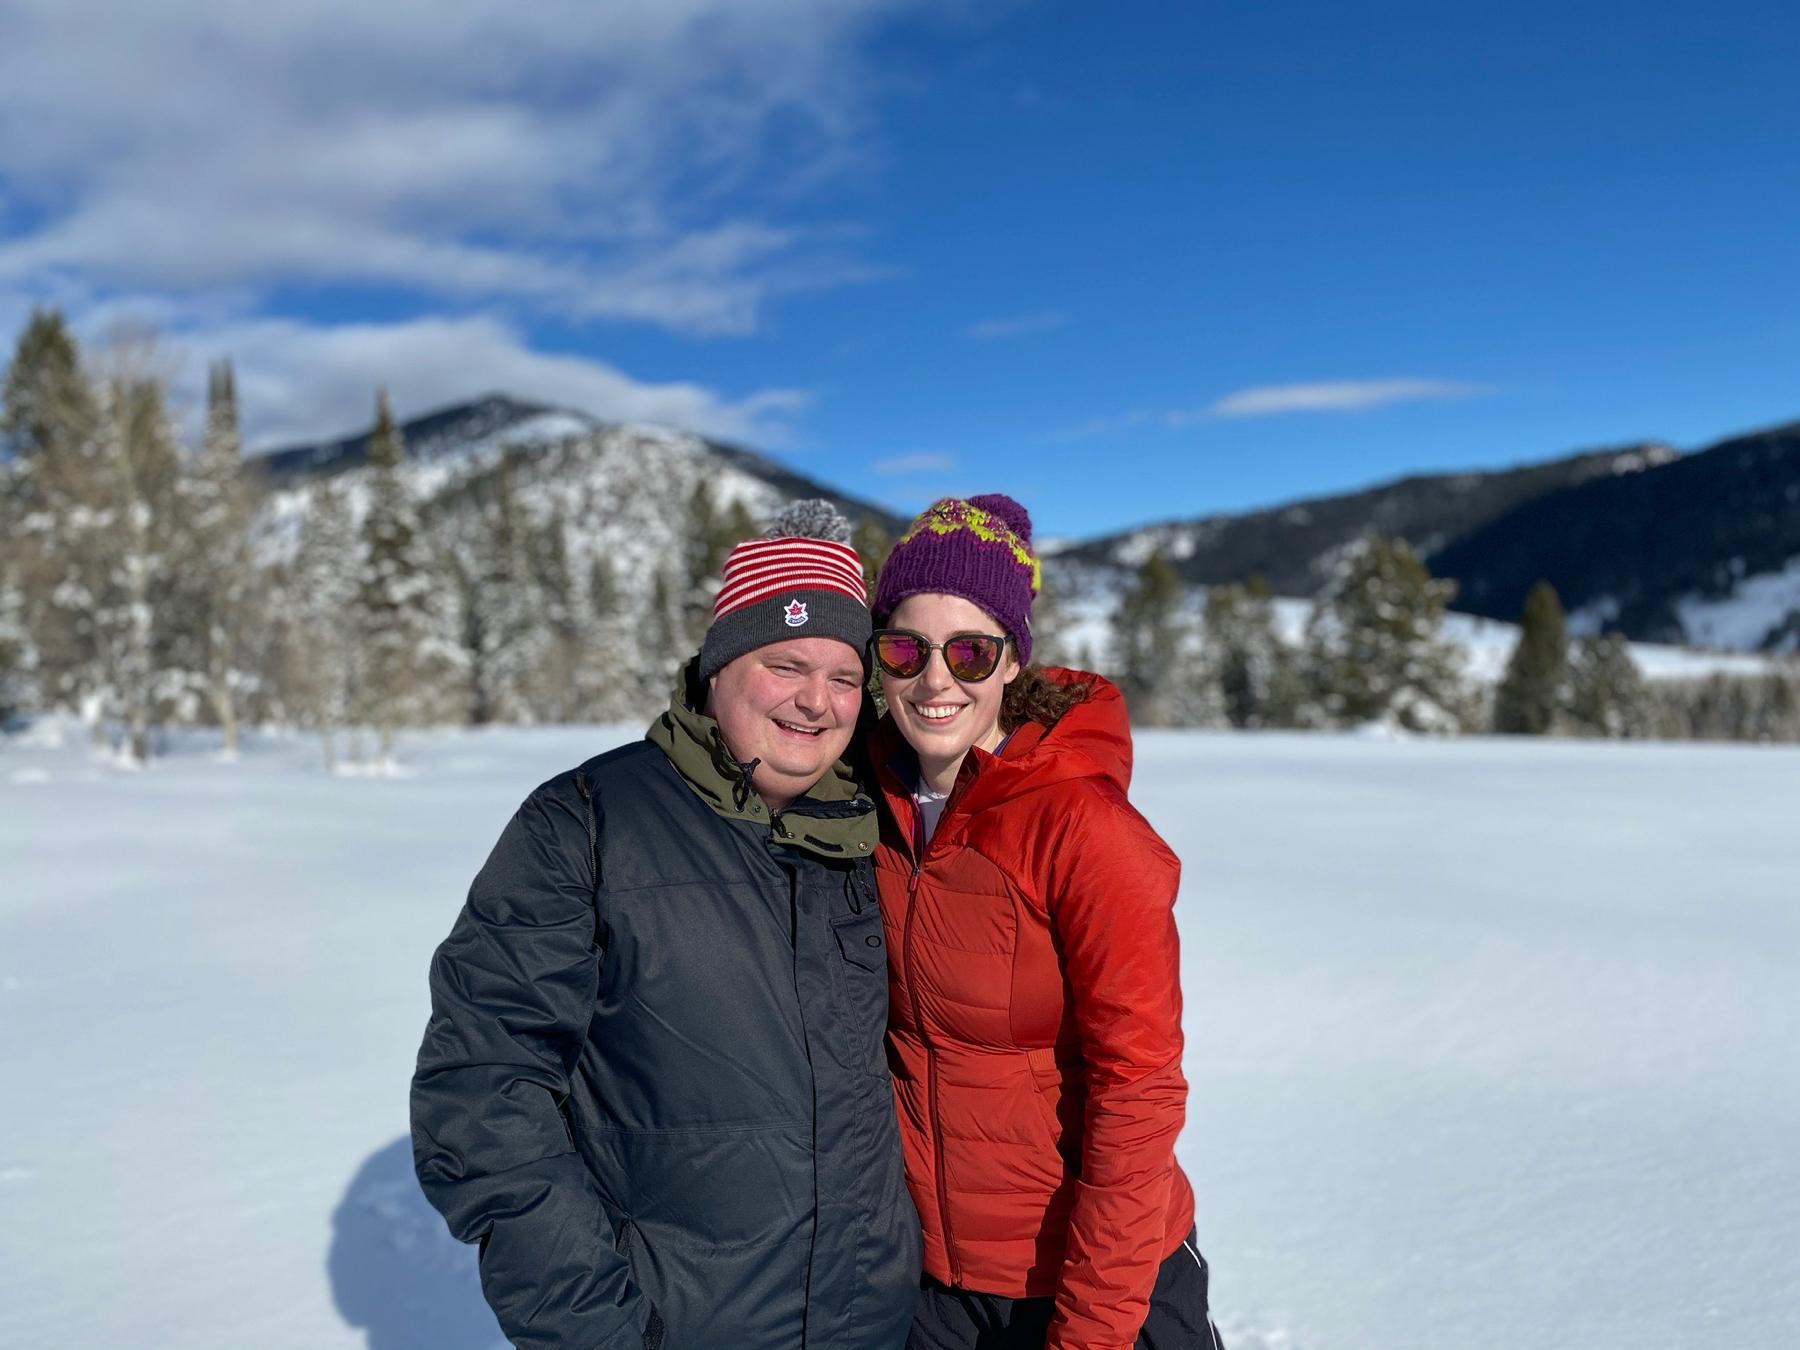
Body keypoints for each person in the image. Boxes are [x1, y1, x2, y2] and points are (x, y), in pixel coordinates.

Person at [411, 501, 921, 1350]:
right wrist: (598, 1328)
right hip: (674, 1325)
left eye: (842, 676)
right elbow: (481, 1092)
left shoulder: (875, 835)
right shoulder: (586, 823)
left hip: (872, 1323)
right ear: (716, 668)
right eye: (784, 664)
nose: (816, 702)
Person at [866, 495, 1221, 1350]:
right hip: (930, 1285)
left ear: (1011, 662)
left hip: (1087, 1282)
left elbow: (1138, 1094)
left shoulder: (1084, 828)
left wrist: (1093, 1328)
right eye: (906, 648)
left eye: (971, 651)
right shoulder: (860, 801)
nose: (936, 679)